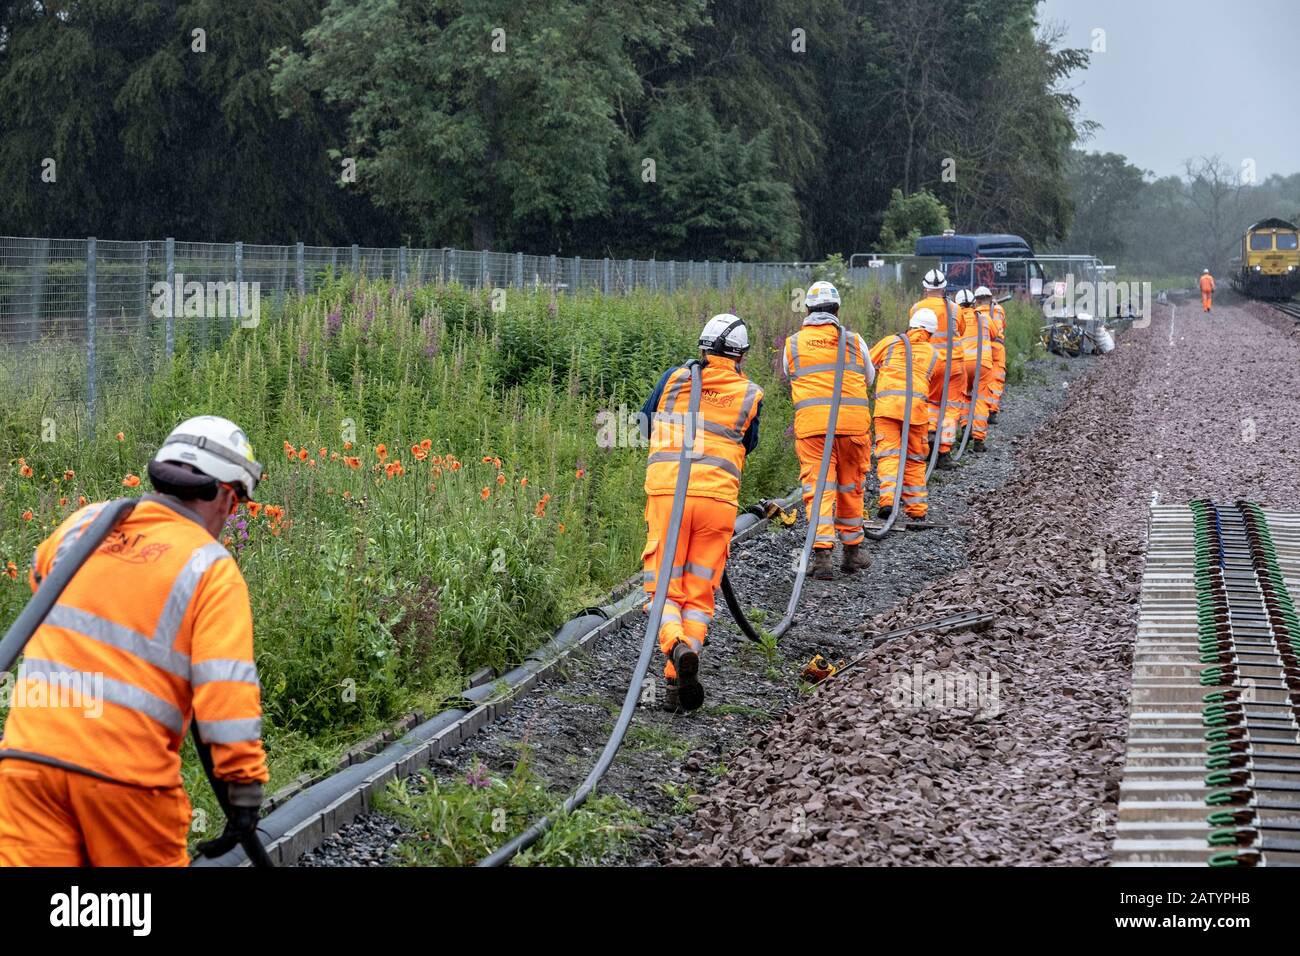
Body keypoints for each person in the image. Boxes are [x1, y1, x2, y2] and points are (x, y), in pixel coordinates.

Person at [0, 416, 269, 866]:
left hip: (29, 766)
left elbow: (41, 584)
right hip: (126, 782)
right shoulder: (211, 568)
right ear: (223, 495)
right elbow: (225, 693)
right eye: (238, 501)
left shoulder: (82, 525)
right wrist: (243, 790)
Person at [639, 315, 762, 712]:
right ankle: (677, 682)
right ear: (741, 355)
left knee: (663, 589)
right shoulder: (750, 393)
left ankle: (674, 644)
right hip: (717, 501)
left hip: (669, 493)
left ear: (702, 348)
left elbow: (644, 424)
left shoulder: (674, 379)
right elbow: (749, 442)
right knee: (698, 593)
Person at [782, 281, 874, 581]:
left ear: (807, 309)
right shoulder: (855, 341)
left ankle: (822, 557)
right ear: (837, 310)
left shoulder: (793, 343)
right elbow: (869, 378)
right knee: (850, 486)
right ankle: (852, 552)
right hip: (852, 427)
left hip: (813, 430)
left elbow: (789, 375)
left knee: (819, 489)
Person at [869, 309, 937, 523]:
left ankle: (888, 501)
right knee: (915, 458)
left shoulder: (890, 342)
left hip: (887, 410)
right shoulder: (933, 353)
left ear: (911, 325)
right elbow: (935, 382)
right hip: (916, 413)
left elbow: (868, 362)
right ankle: (916, 509)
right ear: (930, 333)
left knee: (889, 455)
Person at [909, 269, 964, 469]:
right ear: (943, 288)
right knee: (950, 408)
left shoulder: (916, 308)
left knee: (931, 403)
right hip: (954, 365)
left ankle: (930, 434)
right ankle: (944, 453)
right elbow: (962, 330)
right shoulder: (955, 309)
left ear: (925, 288)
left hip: (928, 364)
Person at [955, 288, 995, 452]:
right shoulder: (983, 318)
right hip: (982, 364)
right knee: (980, 399)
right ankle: (978, 440)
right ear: (973, 303)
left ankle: (965, 430)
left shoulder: (956, 318)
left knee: (965, 396)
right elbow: (994, 334)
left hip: (963, 364)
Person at [974, 286, 1007, 423]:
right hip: (998, 347)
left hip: (982, 347)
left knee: (983, 380)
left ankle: (979, 410)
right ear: (989, 297)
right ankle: (992, 410)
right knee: (997, 379)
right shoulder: (999, 309)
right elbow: (1003, 326)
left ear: (977, 300)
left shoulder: (974, 312)